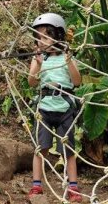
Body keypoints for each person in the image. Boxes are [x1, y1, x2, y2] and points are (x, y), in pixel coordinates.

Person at [27, 13, 82, 203]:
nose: (40, 42)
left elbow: (77, 82)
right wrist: (38, 66)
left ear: (57, 36)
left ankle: (73, 187)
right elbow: (32, 83)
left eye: (44, 36)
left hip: (65, 109)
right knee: (40, 148)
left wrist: (69, 61)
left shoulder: (67, 57)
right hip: (44, 108)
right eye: (38, 37)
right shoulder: (39, 58)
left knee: (68, 149)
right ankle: (36, 185)